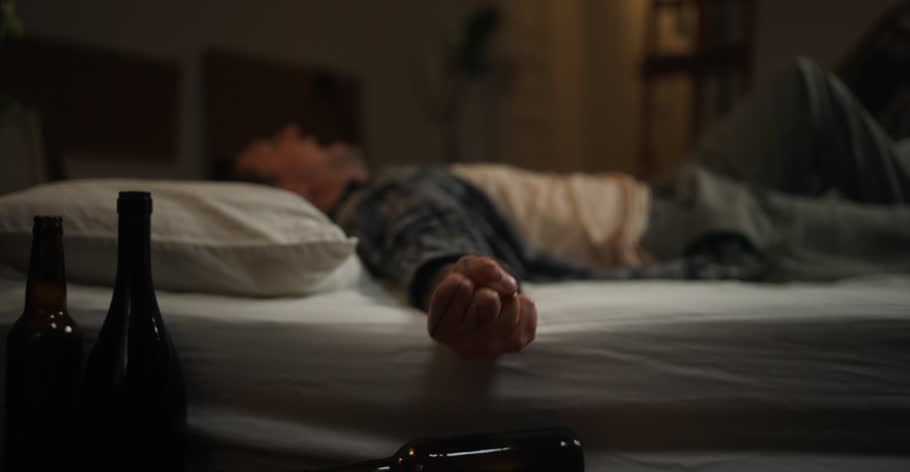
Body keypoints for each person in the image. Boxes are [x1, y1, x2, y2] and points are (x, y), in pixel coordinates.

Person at [234, 58, 910, 360]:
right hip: (678, 227)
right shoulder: (373, 197)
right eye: (276, 143)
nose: (296, 133)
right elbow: (423, 231)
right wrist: (455, 278)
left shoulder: (383, 183)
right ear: (290, 193)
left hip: (669, 189)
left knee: (803, 91)